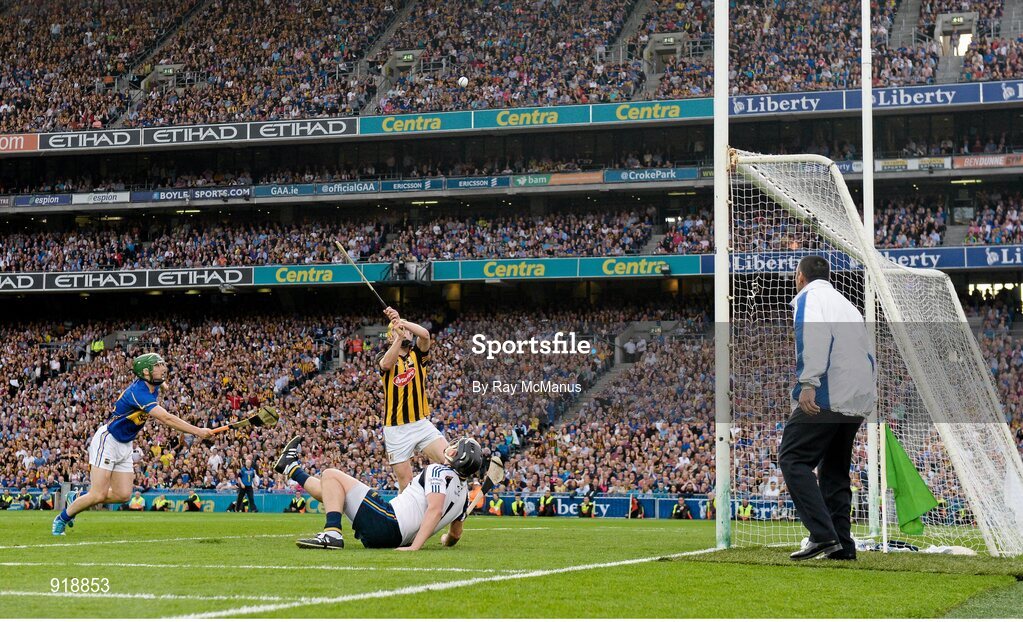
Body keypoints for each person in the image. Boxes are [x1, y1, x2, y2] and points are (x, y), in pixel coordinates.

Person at [780, 256, 876, 561]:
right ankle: (842, 546)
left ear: (800, 276)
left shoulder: (809, 297)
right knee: (834, 470)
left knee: (793, 458)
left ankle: (822, 535)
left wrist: (808, 383)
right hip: (858, 395)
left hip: (830, 390)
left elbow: (813, 337)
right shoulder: (848, 304)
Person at [52, 353, 213, 535]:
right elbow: (166, 418)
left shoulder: (152, 384)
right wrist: (198, 431)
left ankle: (78, 498)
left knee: (123, 495)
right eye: (157, 366)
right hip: (108, 440)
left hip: (125, 443)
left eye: (162, 364)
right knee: (98, 494)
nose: (163, 369)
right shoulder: (139, 392)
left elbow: (162, 385)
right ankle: (61, 519)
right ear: (145, 372)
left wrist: (164, 385)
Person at [273, 435, 483, 551]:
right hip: (394, 534)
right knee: (333, 491)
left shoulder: (439, 471)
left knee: (330, 474)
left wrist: (415, 547)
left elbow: (435, 510)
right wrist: (445, 539)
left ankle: (332, 534)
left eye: (455, 448)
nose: (451, 448)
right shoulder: (464, 497)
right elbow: (455, 535)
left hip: (389, 521)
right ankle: (291, 468)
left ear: (457, 456)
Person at [378, 307, 448, 491]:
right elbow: (386, 364)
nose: (405, 332)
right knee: (406, 484)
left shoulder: (417, 355)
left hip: (420, 423)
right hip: (395, 429)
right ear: (390, 337)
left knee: (450, 459)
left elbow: (425, 335)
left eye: (407, 331)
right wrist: (399, 337)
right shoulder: (383, 356)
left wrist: (401, 321)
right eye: (398, 330)